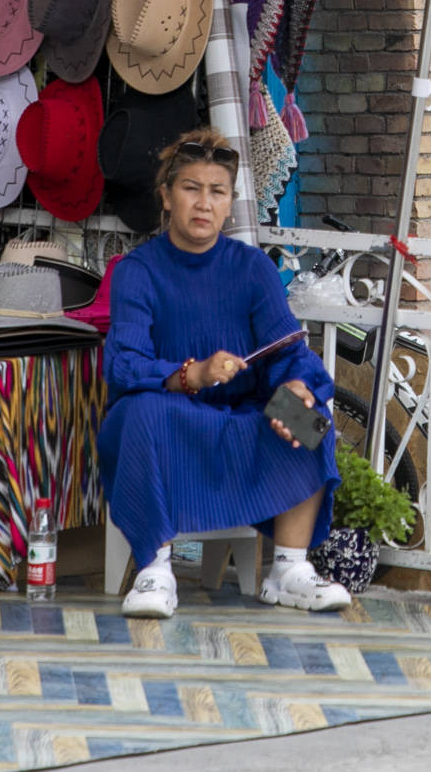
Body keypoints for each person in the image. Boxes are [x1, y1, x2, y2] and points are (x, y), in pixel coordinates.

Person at [96, 127, 348, 618]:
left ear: (230, 204)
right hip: (170, 414)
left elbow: (288, 349)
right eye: (191, 188)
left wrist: (297, 387)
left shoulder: (253, 269)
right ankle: (154, 569)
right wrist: (190, 375)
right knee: (143, 411)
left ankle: (290, 570)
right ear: (166, 198)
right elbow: (123, 363)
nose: (204, 204)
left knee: (307, 417)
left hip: (241, 414)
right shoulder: (137, 270)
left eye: (217, 192)